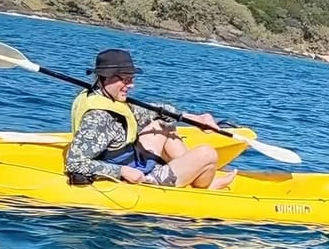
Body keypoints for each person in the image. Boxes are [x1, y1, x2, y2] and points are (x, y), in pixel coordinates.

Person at [64, 48, 236, 190]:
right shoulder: (98, 117)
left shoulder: (109, 98)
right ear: (106, 78)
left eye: (131, 79)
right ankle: (202, 184)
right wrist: (121, 171)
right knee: (207, 154)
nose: (131, 85)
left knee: (163, 126)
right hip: (138, 175)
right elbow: (74, 163)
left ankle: (193, 173)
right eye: (125, 80)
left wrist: (196, 118)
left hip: (131, 159)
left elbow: (155, 112)